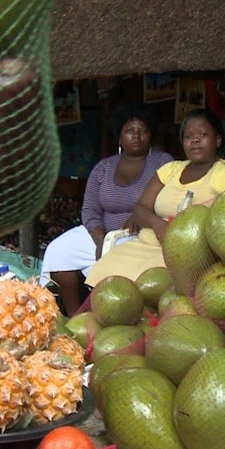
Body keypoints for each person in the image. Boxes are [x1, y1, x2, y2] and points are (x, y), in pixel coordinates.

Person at [84, 108, 225, 288]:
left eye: (202, 134)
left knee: (148, 289)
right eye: (188, 136)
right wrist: (157, 224)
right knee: (105, 274)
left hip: (187, 255)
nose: (195, 140)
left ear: (217, 140)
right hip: (147, 243)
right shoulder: (171, 169)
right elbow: (140, 208)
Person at [41, 105, 172, 315]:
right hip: (102, 233)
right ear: (119, 136)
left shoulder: (162, 162)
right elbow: (90, 209)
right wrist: (99, 239)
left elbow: (169, 199)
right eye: (129, 131)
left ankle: (112, 315)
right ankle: (76, 315)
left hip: (140, 235)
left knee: (121, 264)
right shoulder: (104, 167)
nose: (136, 136)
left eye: (142, 131)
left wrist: (140, 216)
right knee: (59, 250)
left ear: (151, 135)